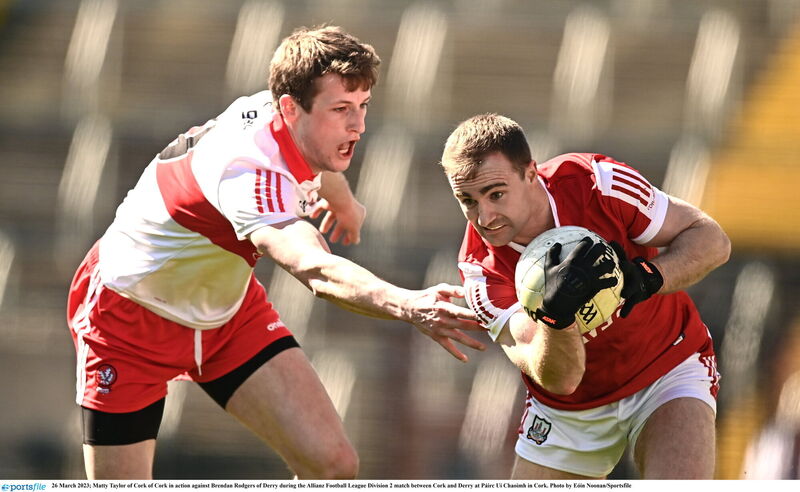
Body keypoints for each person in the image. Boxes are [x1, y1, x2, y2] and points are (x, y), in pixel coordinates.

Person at [67, 26, 485, 480]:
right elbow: (314, 268)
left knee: (333, 464)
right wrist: (408, 304)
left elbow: (310, 154)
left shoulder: (278, 108)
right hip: (129, 318)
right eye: (342, 109)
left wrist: (344, 201)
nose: (359, 126)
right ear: (290, 107)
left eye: (362, 107)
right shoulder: (248, 174)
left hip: (225, 314)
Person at [440, 113, 730, 479]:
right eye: (467, 200)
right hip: (566, 413)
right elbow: (560, 380)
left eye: (496, 193)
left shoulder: (598, 183)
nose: (484, 216)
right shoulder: (480, 272)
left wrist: (646, 279)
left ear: (531, 173)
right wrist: (555, 318)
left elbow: (711, 240)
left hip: (668, 366)